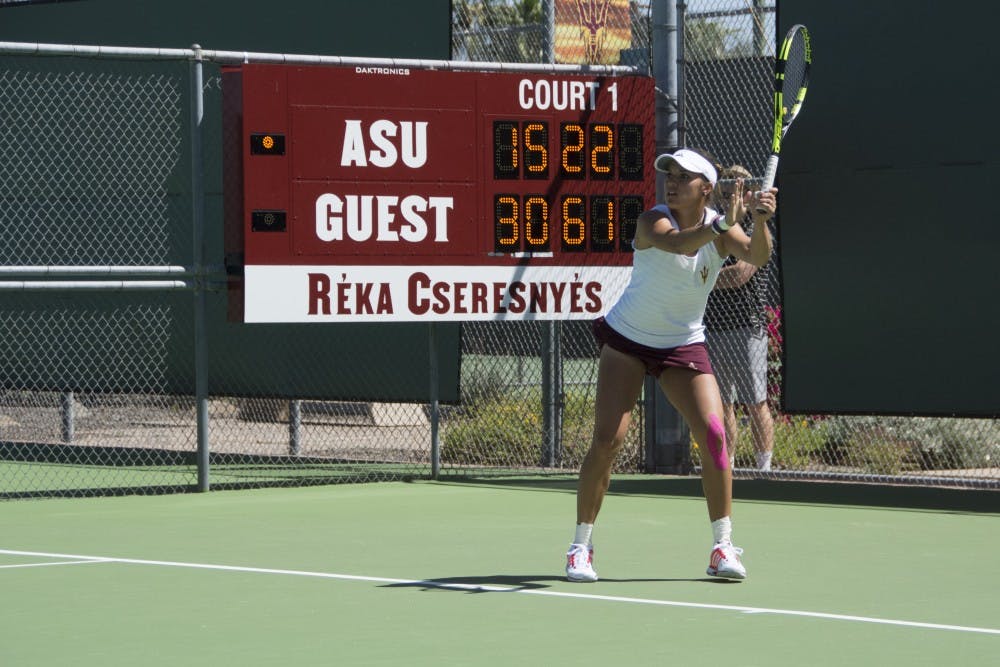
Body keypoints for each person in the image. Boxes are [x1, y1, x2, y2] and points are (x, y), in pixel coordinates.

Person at [565, 148, 776, 582]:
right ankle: (580, 548)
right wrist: (723, 223)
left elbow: (758, 256)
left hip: (682, 345)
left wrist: (759, 219)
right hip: (627, 340)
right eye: (670, 174)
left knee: (715, 435)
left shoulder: (722, 229)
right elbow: (679, 244)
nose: (672, 182)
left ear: (706, 188)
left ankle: (722, 546)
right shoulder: (652, 221)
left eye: (684, 176)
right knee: (609, 440)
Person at [704, 165, 775, 473]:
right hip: (714, 328)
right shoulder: (718, 227)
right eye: (729, 189)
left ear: (751, 192)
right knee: (723, 405)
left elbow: (742, 274)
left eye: (741, 189)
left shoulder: (757, 230)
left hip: (748, 328)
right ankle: (727, 467)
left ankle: (764, 469)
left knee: (756, 401)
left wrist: (704, 279)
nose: (735, 195)